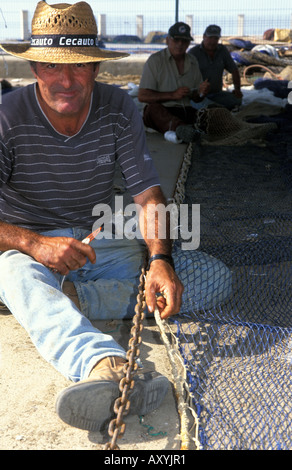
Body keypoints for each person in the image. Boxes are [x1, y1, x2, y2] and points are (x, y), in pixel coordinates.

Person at [0, 2, 232, 433]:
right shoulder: (5, 118)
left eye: (80, 66)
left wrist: (161, 259)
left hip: (101, 238)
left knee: (212, 277)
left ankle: (73, 301)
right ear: (34, 66)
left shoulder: (117, 107)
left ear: (96, 68)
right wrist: (35, 243)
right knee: (15, 273)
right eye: (53, 66)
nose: (66, 80)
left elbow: (148, 195)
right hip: (28, 245)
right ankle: (100, 363)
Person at [138, 22, 210, 143]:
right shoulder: (155, 61)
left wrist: (202, 92)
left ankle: (187, 130)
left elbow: (197, 98)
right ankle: (182, 129)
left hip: (185, 111)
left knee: (212, 112)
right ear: (167, 40)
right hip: (163, 110)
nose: (180, 44)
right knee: (152, 110)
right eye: (176, 40)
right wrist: (173, 95)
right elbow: (142, 96)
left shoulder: (192, 61)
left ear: (188, 43)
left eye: (184, 41)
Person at [188, 25, 243, 111]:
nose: (213, 41)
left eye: (216, 39)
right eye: (210, 38)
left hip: (217, 94)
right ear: (204, 36)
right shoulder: (193, 52)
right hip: (198, 96)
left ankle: (216, 108)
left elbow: (234, 70)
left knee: (237, 100)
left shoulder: (222, 50)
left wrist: (237, 89)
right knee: (205, 106)